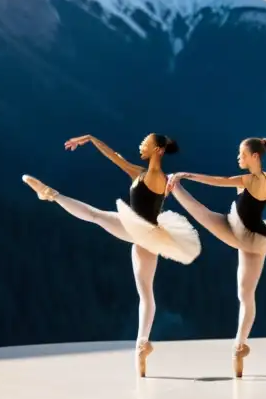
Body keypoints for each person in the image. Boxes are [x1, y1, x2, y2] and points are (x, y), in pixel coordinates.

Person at [22, 133, 200, 376]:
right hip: (137, 230)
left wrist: (179, 177)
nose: (140, 145)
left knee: (145, 292)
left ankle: (141, 344)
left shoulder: (158, 177)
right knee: (143, 290)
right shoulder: (140, 172)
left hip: (145, 233)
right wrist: (91, 139)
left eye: (145, 143)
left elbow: (163, 184)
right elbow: (113, 156)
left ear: (158, 150)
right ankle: (142, 344)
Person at [165, 137, 266, 377]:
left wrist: (185, 175)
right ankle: (239, 345)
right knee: (246, 294)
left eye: (242, 155)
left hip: (238, 232)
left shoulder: (247, 179)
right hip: (257, 238)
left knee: (202, 213)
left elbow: (218, 181)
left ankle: (172, 184)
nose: (238, 158)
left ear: (254, 156)